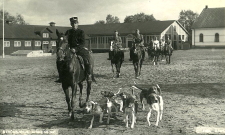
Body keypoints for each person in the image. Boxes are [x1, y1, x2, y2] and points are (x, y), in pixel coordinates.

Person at [65, 16, 92, 81]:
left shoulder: (81, 32)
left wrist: (76, 49)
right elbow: (65, 41)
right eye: (73, 23)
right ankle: (62, 76)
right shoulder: (68, 32)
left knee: (87, 59)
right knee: (62, 61)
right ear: (71, 24)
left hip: (79, 50)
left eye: (75, 23)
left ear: (78, 23)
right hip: (70, 50)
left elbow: (82, 43)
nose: (74, 25)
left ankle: (88, 74)